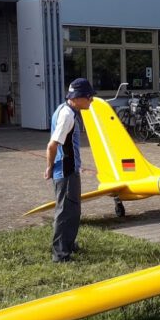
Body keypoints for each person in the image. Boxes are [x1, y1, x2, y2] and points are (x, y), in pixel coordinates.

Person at [45, 77, 95, 262]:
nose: (91, 101)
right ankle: (60, 254)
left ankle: (68, 244)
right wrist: (49, 167)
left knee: (73, 210)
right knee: (65, 212)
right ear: (79, 97)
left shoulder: (64, 110)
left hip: (70, 169)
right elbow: (52, 145)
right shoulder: (67, 115)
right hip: (65, 171)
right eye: (89, 97)